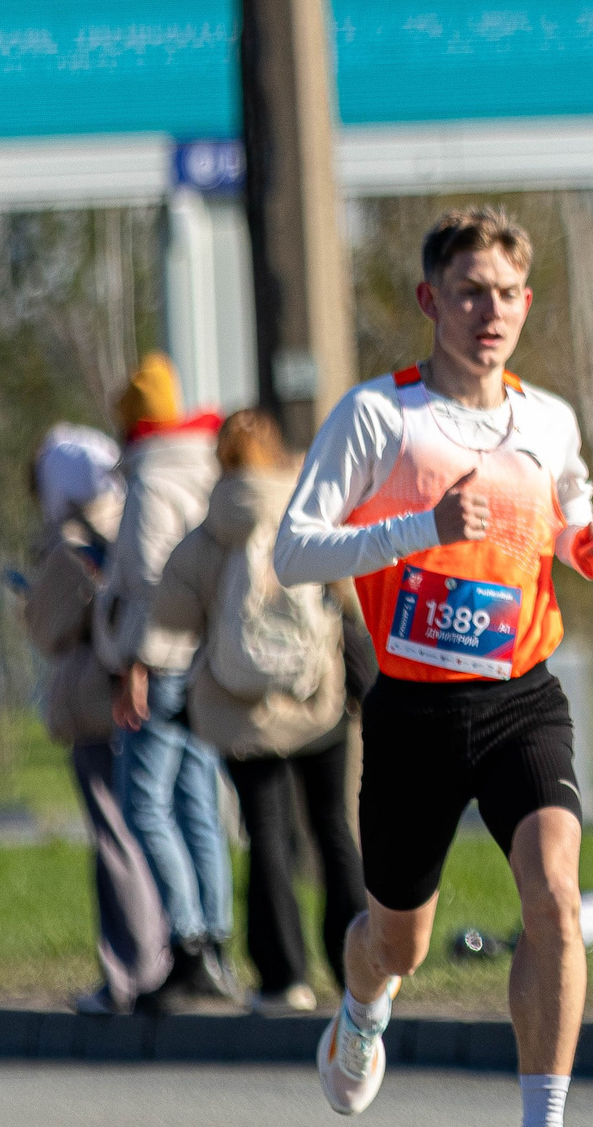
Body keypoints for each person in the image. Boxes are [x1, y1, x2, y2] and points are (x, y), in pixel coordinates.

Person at [275, 205, 593, 1127]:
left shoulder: (548, 417)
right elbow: (296, 548)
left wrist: (585, 547)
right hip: (416, 711)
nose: (491, 311)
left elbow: (570, 509)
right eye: (470, 291)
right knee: (400, 940)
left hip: (523, 693)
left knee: (554, 895)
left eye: (509, 293)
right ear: (430, 300)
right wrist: (417, 527)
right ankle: (362, 1004)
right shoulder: (380, 419)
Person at [151, 409, 365, 1015]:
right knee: (332, 830)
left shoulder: (211, 528)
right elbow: (348, 590)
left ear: (223, 460)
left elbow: (169, 614)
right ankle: (356, 972)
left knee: (266, 836)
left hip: (240, 710)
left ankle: (282, 978)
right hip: (316, 699)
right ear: (276, 453)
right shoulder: (311, 510)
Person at [100, 354, 238, 1004]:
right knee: (198, 805)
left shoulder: (152, 480)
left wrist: (138, 664)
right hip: (205, 656)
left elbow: (155, 581)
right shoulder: (206, 466)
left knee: (143, 803)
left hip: (164, 663)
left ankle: (186, 944)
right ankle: (215, 943)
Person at [23, 425, 172, 1016]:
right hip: (138, 694)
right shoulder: (128, 520)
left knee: (112, 837)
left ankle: (127, 970)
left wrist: (29, 600)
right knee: (149, 823)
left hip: (91, 699)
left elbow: (49, 628)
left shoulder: (68, 543)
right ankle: (168, 953)